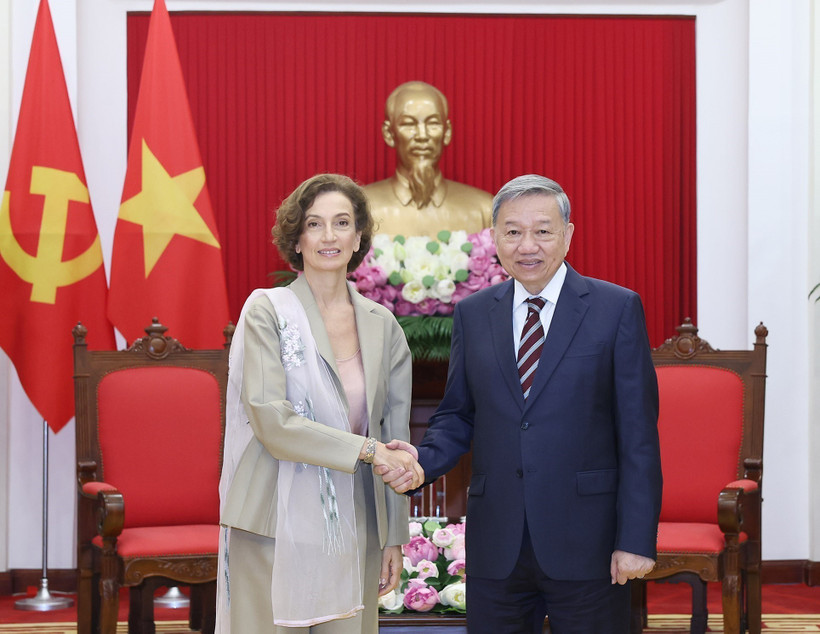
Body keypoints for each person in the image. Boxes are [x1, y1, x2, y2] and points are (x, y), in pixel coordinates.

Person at [380, 174, 662, 633]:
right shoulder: (474, 313)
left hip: (588, 543)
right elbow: (457, 414)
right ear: (494, 238)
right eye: (512, 231)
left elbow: (639, 437)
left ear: (568, 235)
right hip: (498, 544)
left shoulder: (616, 309)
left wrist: (635, 540)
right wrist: (421, 463)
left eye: (542, 231)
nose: (527, 245)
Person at [216, 173, 424, 634]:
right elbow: (273, 421)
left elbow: (396, 438)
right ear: (297, 237)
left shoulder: (383, 325)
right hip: (271, 519)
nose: (329, 236)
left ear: (358, 237)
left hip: (356, 525)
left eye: (342, 223)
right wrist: (367, 451)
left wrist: (393, 537)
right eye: (315, 224)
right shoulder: (266, 311)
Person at [363, 81, 493, 238]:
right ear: (389, 134)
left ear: (447, 132)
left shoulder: (484, 210)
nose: (422, 136)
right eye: (409, 124)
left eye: (433, 123)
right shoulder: (360, 209)